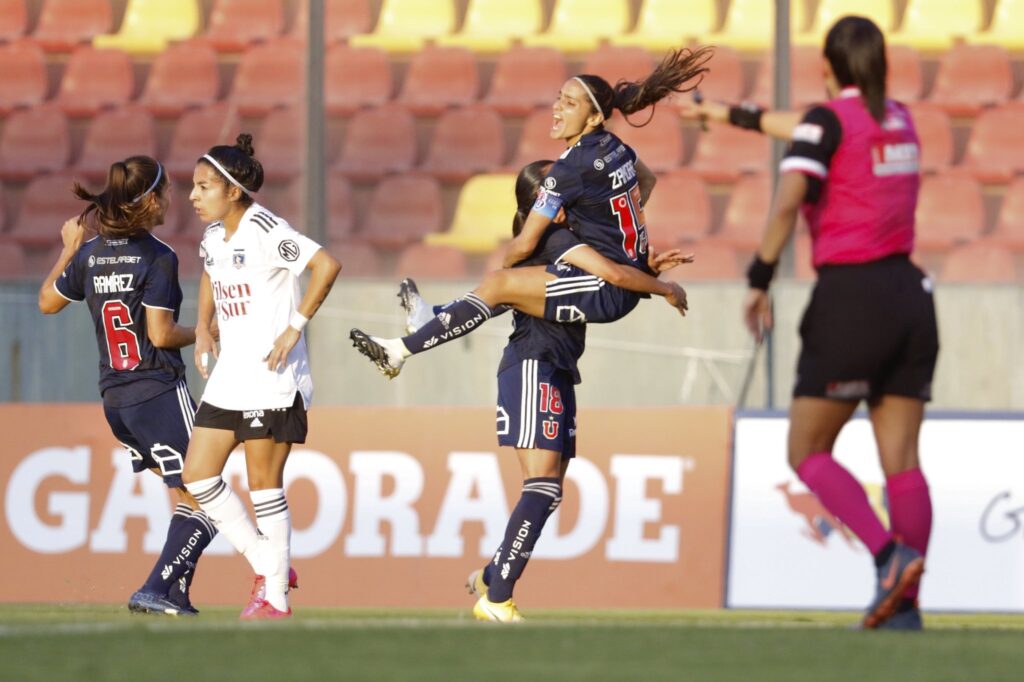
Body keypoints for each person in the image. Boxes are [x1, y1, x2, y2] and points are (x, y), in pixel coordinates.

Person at [686, 16, 936, 630]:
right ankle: (904, 606)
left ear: (827, 66)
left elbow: (791, 195)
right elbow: (803, 128)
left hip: (852, 297)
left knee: (806, 450)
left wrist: (760, 277)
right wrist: (729, 116)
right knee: (902, 460)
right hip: (911, 294)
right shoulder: (898, 119)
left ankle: (887, 555)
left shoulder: (826, 122)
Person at [396, 161, 690, 623]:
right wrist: (658, 284)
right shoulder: (555, 241)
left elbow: (505, 299)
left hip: (555, 366)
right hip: (534, 363)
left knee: (549, 489)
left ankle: (494, 577)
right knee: (543, 487)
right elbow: (608, 275)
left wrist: (644, 266)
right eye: (556, 185)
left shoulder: (559, 241)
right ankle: (497, 600)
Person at [350, 47, 713, 378]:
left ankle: (400, 350)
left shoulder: (568, 171)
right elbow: (645, 181)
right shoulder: (615, 146)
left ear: (591, 119)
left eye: (570, 104)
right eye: (559, 99)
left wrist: (664, 288)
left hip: (611, 288)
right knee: (510, 282)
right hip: (619, 272)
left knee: (507, 275)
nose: (557, 109)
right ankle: (430, 318)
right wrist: (615, 231)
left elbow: (525, 245)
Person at [38, 155, 215, 616]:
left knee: (187, 496)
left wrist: (69, 250)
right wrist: (206, 331)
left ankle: (176, 594)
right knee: (210, 495)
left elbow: (46, 303)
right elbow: (160, 335)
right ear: (153, 198)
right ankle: (155, 588)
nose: (174, 198)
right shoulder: (158, 256)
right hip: (157, 390)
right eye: (169, 190)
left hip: (116, 401)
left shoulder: (91, 253)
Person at [180, 134, 341, 620]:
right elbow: (210, 273)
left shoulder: (265, 227)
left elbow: (326, 265)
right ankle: (270, 561)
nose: (193, 195)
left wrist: (295, 328)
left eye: (203, 186)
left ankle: (274, 597)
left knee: (263, 483)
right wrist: (205, 327)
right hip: (230, 377)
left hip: (274, 378)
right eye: (193, 186)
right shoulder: (213, 238)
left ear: (232, 191)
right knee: (197, 476)